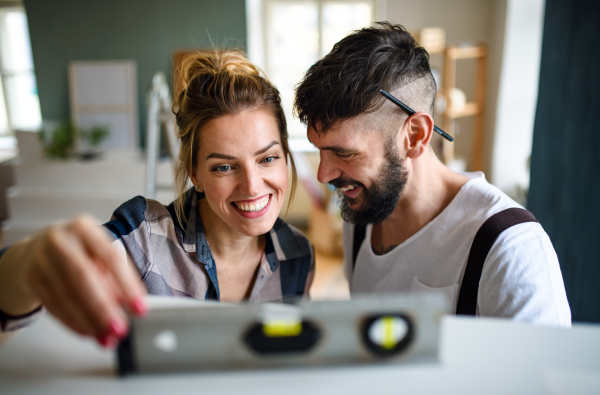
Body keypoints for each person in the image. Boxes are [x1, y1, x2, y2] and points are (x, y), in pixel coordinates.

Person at [0, 49, 315, 347]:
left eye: (268, 159)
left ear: (285, 154)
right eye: (223, 166)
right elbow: (40, 285)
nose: (251, 185)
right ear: (194, 173)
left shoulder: (298, 256)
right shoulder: (144, 240)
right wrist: (28, 263)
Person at [294, 22, 570, 326]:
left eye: (344, 153)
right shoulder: (362, 216)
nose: (323, 174)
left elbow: (540, 374)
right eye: (319, 149)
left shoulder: (510, 248)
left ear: (415, 136)